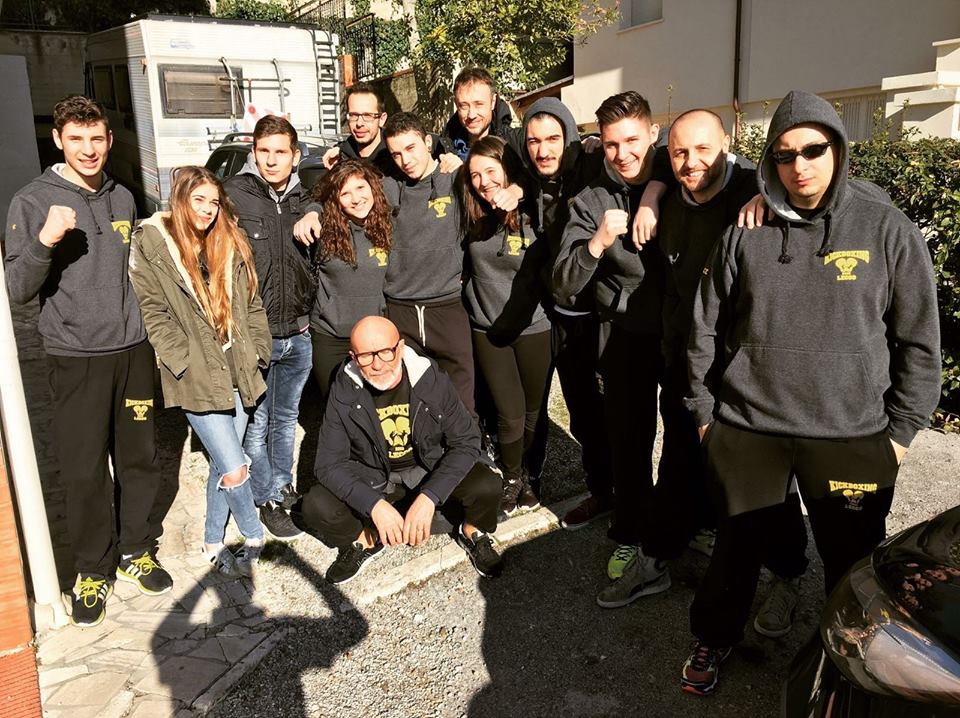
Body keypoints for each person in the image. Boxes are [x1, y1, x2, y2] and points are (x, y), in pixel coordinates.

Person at [680, 90, 941, 696]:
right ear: (769, 160)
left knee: (853, 567)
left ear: (838, 149)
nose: (799, 166)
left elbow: (919, 340)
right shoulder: (746, 230)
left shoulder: (886, 228)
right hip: (749, 428)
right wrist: (704, 416)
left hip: (851, 434)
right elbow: (703, 326)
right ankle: (715, 635)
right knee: (734, 552)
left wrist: (900, 434)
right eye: (784, 154)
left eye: (813, 150)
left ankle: (851, 666)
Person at [596, 108, 812, 623]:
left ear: (728, 145)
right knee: (678, 466)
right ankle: (658, 558)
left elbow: (823, 197)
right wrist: (652, 193)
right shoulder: (670, 201)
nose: (691, 162)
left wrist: (769, 195)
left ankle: (787, 575)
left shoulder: (756, 195)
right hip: (689, 365)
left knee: (768, 481)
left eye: (702, 150)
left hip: (751, 372)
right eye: (679, 153)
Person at [5, 95, 172, 627]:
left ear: (109, 139)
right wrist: (44, 241)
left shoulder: (123, 196)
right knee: (84, 471)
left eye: (96, 138)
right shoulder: (33, 201)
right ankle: (93, 569)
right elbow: (17, 289)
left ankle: (135, 549)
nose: (88, 149)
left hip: (132, 351)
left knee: (140, 459)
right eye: (76, 139)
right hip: (74, 357)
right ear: (58, 140)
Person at [553, 91, 679, 590]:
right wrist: (596, 243)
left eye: (632, 140)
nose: (622, 153)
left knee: (687, 438)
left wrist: (655, 191)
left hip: (681, 333)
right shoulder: (591, 201)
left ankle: (685, 523)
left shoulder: (680, 175)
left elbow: (726, 165)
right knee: (629, 440)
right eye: (611, 144)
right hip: (623, 333)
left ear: (653, 134)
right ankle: (630, 531)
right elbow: (563, 282)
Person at [129, 166, 273, 582]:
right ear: (180, 200)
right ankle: (254, 535)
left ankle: (212, 540)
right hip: (196, 374)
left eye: (214, 202)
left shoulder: (229, 239)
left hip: (239, 367)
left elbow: (253, 302)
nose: (208, 210)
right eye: (199, 201)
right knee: (235, 467)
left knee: (221, 463)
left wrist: (259, 349)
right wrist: (182, 359)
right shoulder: (153, 242)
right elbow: (152, 310)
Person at [295, 316, 505, 583]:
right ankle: (366, 539)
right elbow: (327, 465)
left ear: (401, 347)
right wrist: (374, 506)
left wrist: (430, 496)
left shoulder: (429, 378)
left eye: (386, 351)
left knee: (487, 484)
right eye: (366, 356)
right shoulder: (344, 388)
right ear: (353, 357)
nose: (378, 364)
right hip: (374, 477)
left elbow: (466, 440)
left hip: (428, 468)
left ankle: (472, 530)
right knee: (315, 505)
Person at [517, 97, 613, 529]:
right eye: (534, 141)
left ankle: (624, 495)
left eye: (553, 139)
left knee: (611, 414)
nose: (543, 150)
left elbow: (659, 146)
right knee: (580, 412)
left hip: (598, 317)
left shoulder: (592, 165)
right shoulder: (527, 178)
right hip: (556, 313)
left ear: (570, 137)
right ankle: (602, 490)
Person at [224, 115, 314, 540]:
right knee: (256, 426)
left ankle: (282, 487)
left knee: (286, 420)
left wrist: (313, 208)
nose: (272, 160)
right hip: (256, 337)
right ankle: (265, 496)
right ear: (253, 153)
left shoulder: (303, 196)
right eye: (264, 151)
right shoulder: (233, 196)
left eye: (281, 152)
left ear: (295, 156)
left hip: (299, 334)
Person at [459, 136, 553, 517]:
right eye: (475, 175)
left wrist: (520, 189)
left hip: (534, 327)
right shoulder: (469, 214)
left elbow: (549, 177)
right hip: (488, 328)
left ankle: (531, 474)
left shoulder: (535, 211)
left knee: (534, 411)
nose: (483, 182)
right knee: (509, 413)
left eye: (490, 171)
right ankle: (512, 478)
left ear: (507, 169)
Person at [308, 159, 392, 400]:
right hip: (331, 337)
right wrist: (311, 211)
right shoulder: (321, 230)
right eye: (345, 193)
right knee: (336, 405)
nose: (356, 199)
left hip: (375, 340)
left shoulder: (388, 226)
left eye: (360, 188)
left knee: (376, 407)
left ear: (372, 187)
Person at [322, 83, 455, 175]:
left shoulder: (396, 148)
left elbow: (435, 144)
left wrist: (452, 159)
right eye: (354, 115)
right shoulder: (340, 157)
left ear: (382, 118)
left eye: (367, 116)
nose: (359, 123)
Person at [442, 67, 517, 160]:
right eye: (464, 106)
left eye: (479, 104)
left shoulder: (513, 146)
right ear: (456, 104)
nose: (471, 115)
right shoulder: (443, 148)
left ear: (493, 102)